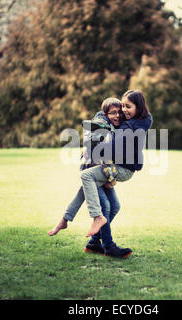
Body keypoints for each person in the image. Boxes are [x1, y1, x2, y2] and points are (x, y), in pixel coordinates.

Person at [48, 98, 132, 257]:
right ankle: (108, 246)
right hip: (92, 169)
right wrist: (112, 177)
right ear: (106, 114)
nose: (117, 116)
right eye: (113, 113)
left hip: (100, 171)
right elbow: (103, 153)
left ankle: (93, 241)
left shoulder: (112, 127)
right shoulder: (103, 126)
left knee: (115, 206)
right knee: (105, 207)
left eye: (119, 112)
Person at [80, 90, 152, 238]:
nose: (123, 110)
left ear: (138, 107)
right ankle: (103, 244)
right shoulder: (132, 123)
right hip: (100, 165)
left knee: (108, 206)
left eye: (128, 106)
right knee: (110, 206)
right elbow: (108, 113)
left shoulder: (129, 127)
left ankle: (96, 241)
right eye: (122, 106)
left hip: (115, 166)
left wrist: (94, 148)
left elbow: (116, 151)